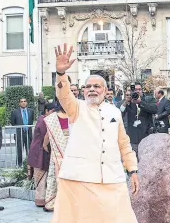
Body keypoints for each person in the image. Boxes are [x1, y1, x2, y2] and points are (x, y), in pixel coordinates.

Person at [51, 43, 140, 223]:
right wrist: (61, 74)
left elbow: (123, 143)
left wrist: (133, 170)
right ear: (83, 91)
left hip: (112, 177)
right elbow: (64, 95)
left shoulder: (114, 111)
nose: (92, 89)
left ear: (106, 90)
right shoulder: (76, 107)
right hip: (80, 179)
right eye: (88, 86)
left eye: (97, 86)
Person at [42, 102, 70, 212]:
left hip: (72, 148)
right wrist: (45, 144)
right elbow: (48, 134)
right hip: (57, 149)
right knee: (54, 175)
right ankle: (51, 203)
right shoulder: (53, 117)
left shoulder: (74, 114)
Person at [28, 103, 55, 208]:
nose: (54, 114)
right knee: (41, 176)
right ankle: (41, 200)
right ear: (46, 111)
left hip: (42, 151)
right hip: (39, 151)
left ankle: (44, 200)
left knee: (44, 175)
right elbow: (47, 135)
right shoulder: (44, 120)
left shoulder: (44, 119)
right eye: (52, 111)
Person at [10, 98, 35, 167]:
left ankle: (30, 165)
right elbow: (13, 122)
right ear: (19, 103)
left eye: (25, 101)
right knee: (19, 149)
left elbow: (31, 121)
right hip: (19, 133)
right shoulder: (15, 112)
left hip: (28, 133)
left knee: (29, 150)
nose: (23, 103)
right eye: (21, 101)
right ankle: (19, 164)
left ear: (26, 102)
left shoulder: (31, 111)